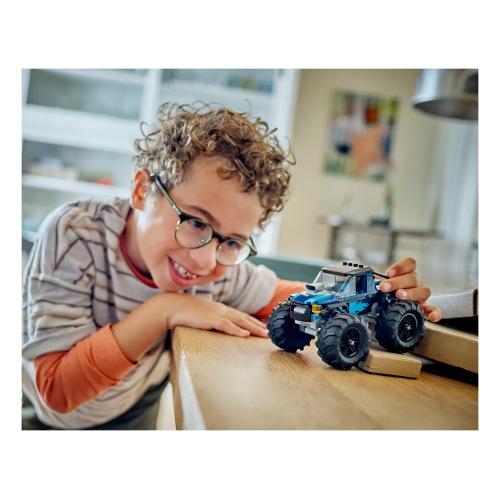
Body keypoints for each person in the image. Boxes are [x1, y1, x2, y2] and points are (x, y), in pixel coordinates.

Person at [22, 102, 441, 430]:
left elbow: (298, 300)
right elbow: (57, 390)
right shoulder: (76, 234)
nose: (205, 260)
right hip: (41, 420)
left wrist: (388, 300)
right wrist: (165, 309)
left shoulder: (219, 269)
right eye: (196, 221)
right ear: (142, 190)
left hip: (134, 408)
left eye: (232, 241)